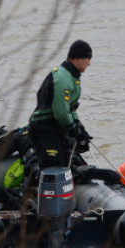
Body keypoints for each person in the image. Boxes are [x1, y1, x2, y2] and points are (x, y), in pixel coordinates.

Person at [28, 40, 93, 174]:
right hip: (44, 126)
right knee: (54, 165)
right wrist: (73, 129)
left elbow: (71, 108)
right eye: (88, 58)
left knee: (66, 160)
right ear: (78, 59)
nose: (89, 63)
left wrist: (79, 127)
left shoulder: (73, 78)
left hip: (56, 127)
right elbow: (61, 112)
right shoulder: (63, 77)